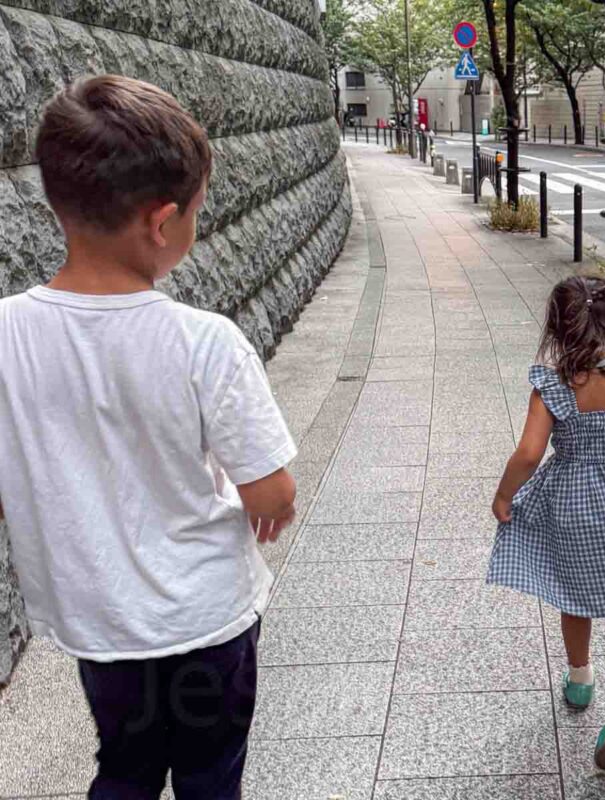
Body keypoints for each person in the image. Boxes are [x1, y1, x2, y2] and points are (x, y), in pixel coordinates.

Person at [0, 75, 298, 799]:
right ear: (163, 223)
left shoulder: (7, 332)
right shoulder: (204, 343)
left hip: (96, 622)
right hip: (204, 621)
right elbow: (272, 491)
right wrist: (267, 505)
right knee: (208, 772)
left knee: (124, 766)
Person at [487, 275, 605, 772]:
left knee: (572, 597)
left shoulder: (552, 385)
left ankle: (579, 679)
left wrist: (504, 494)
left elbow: (529, 453)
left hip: (569, 508)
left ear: (558, 327)